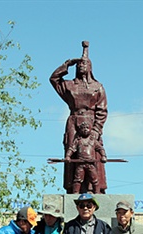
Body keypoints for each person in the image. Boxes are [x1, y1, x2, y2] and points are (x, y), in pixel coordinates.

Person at [50, 40, 108, 194]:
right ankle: (73, 188)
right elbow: (54, 79)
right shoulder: (69, 85)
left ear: (90, 67)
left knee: (92, 153)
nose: (81, 66)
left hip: (91, 122)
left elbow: (102, 111)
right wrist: (67, 64)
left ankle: (93, 189)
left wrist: (96, 130)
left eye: (85, 63)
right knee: (73, 152)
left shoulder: (98, 87)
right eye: (79, 64)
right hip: (73, 123)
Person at [64, 116, 107, 194]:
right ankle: (75, 193)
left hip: (90, 164)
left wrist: (103, 156)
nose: (85, 130)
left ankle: (97, 193)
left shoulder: (93, 140)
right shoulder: (78, 140)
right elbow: (71, 149)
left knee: (95, 179)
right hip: (80, 164)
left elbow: (100, 149)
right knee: (78, 179)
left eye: (87, 128)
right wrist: (68, 156)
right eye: (83, 128)